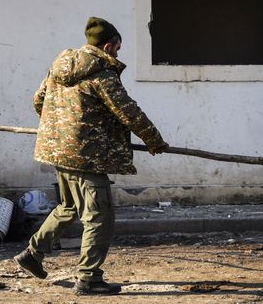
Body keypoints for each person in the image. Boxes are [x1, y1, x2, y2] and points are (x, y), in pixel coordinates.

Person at [14, 16, 168, 295]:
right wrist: (155, 140)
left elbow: (38, 100)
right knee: (100, 217)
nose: (118, 55)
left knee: (69, 207)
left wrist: (61, 130)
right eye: (118, 49)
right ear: (108, 47)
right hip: (86, 157)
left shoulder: (58, 67)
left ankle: (32, 255)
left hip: (59, 152)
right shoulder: (102, 72)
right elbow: (128, 111)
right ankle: (88, 279)